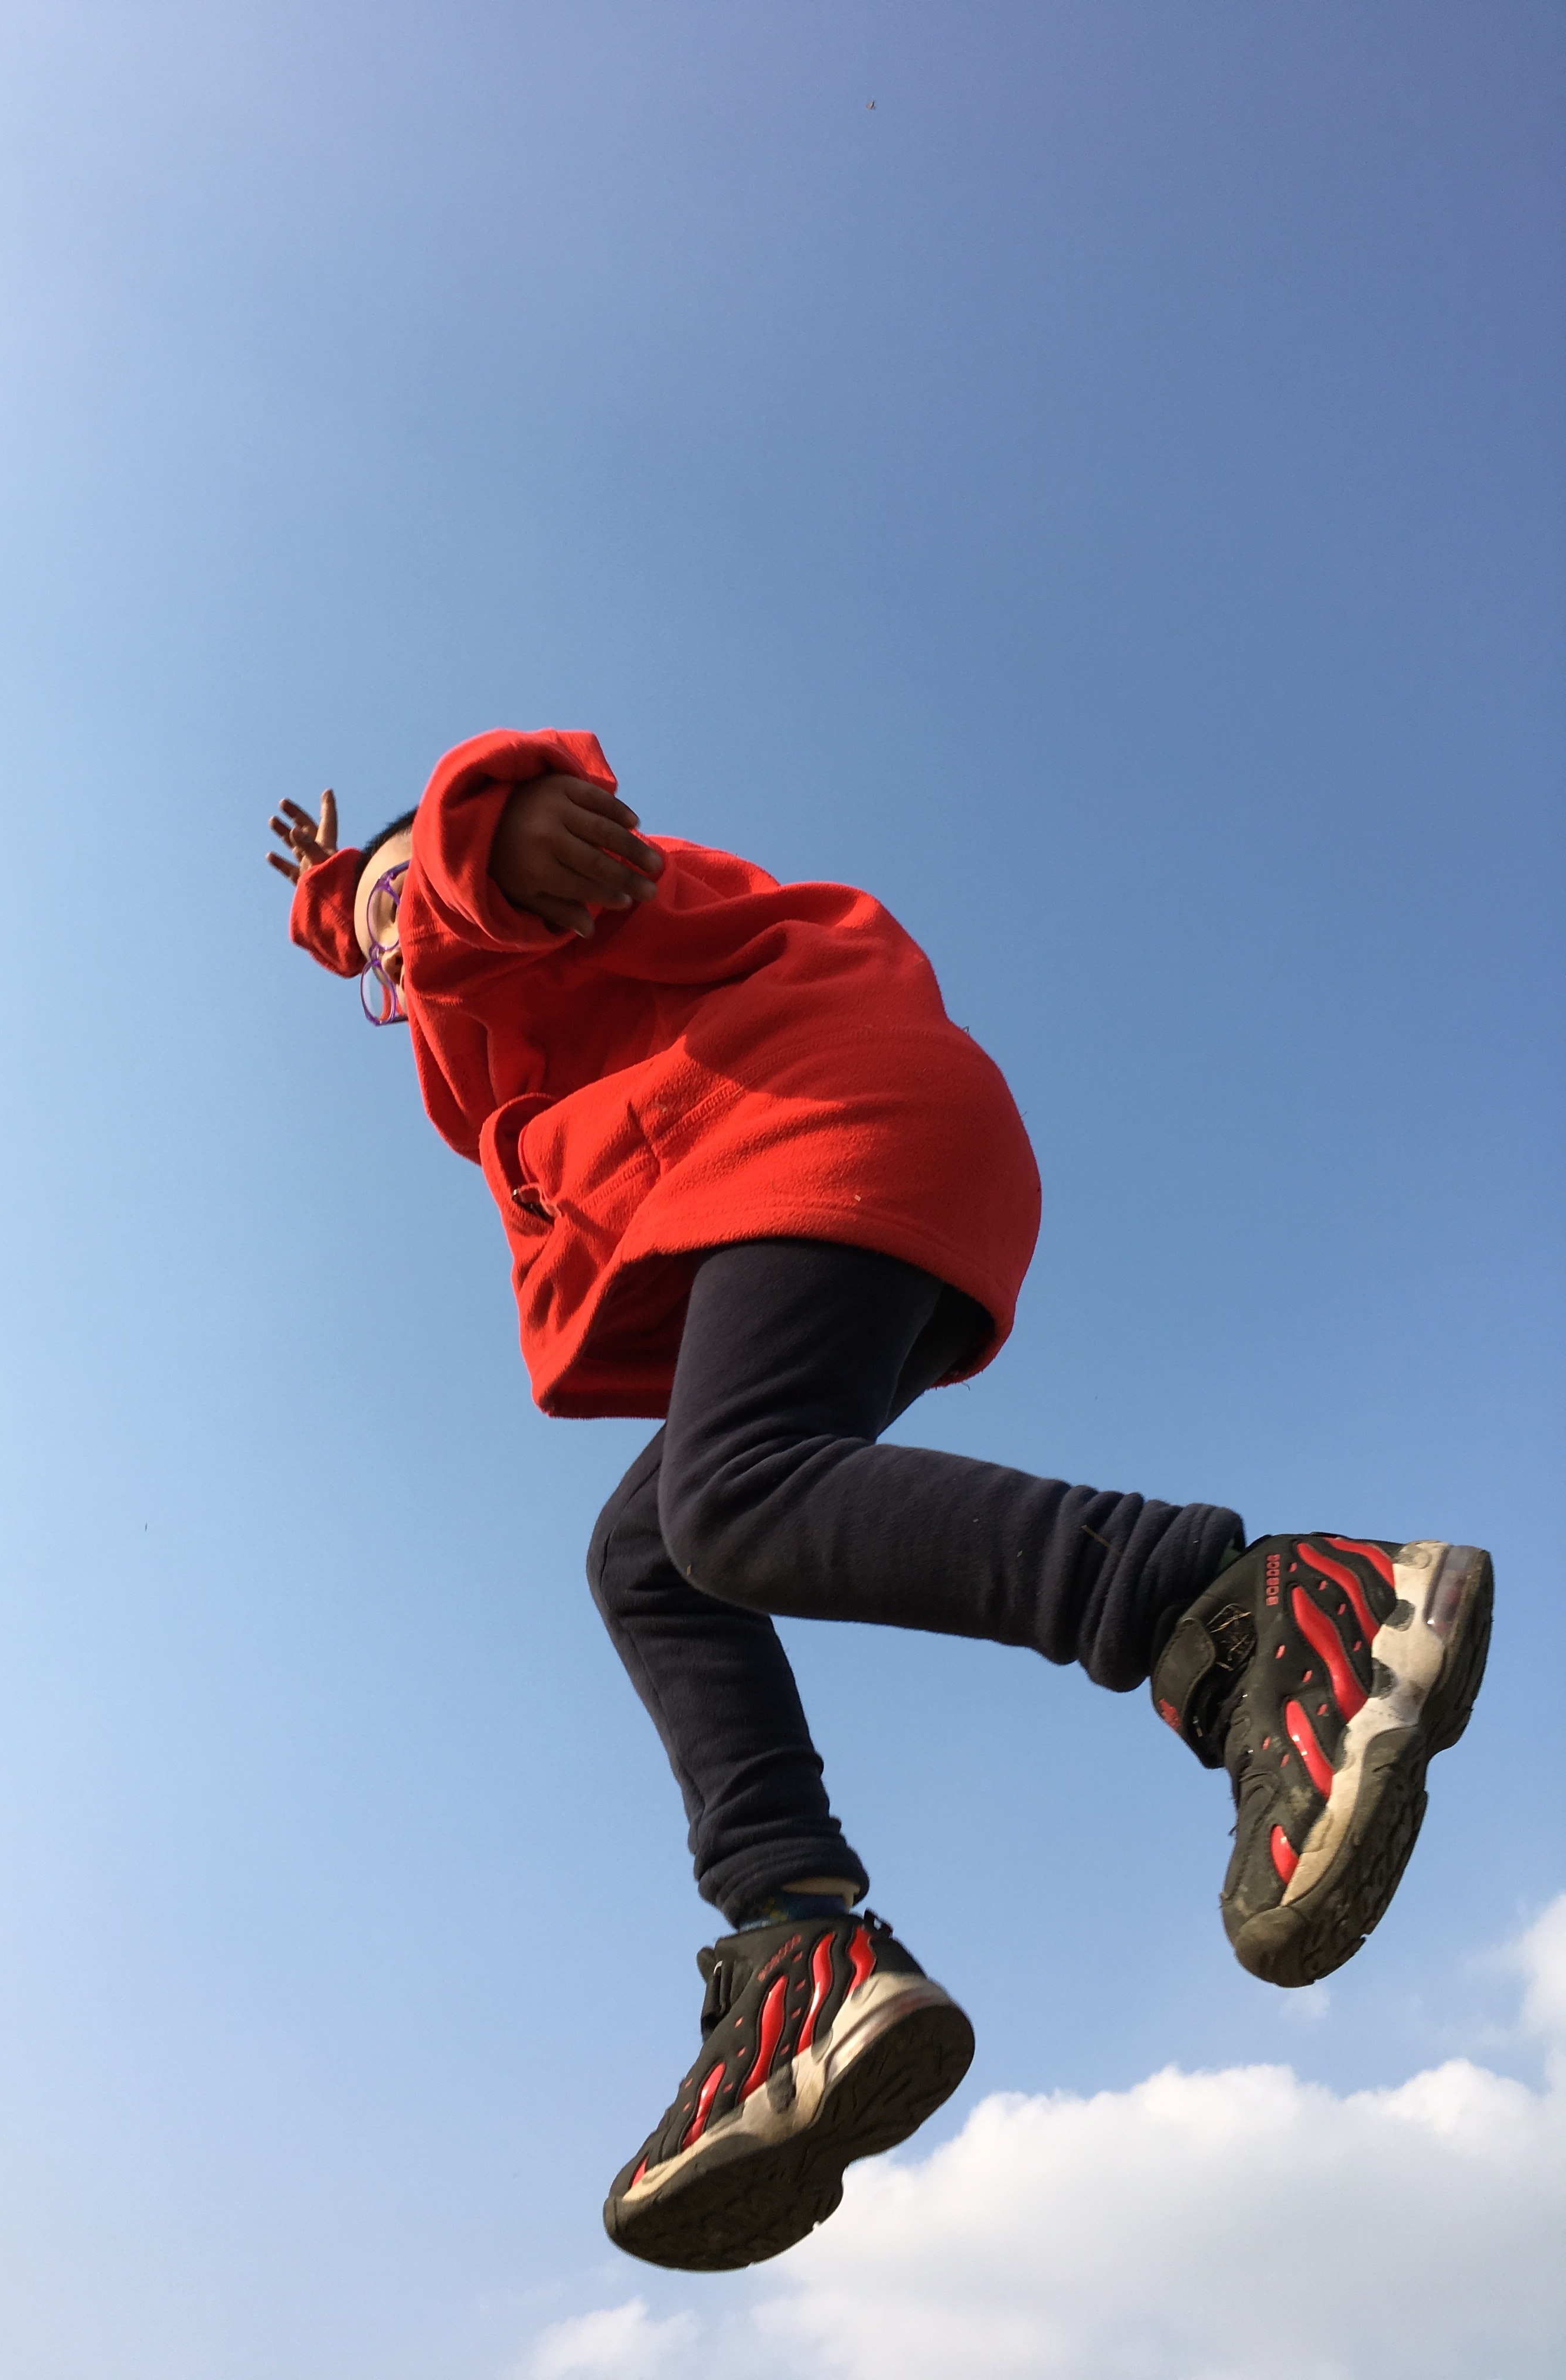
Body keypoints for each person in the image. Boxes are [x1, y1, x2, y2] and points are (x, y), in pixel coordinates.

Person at [266, 727, 1493, 2274]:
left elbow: (479, 839)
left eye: (397, 916)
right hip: (851, 1164)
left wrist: (468, 839)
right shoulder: (442, 969)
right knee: (648, 1554)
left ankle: (1250, 1612)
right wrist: (333, 895)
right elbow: (393, 913)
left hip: (811, 1124)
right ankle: (796, 1945)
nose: (396, 955)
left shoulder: (511, 896)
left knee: (731, 1500)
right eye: (376, 954)